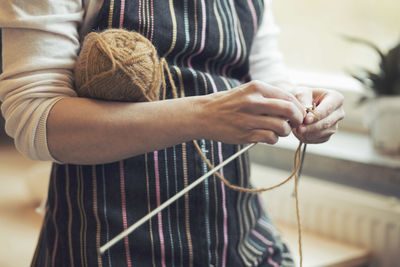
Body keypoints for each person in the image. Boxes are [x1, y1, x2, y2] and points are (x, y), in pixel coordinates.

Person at [0, 0, 344, 266]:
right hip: (109, 249)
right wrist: (203, 115)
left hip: (242, 244)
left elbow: (268, 76)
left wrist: (301, 103)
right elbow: (37, 119)